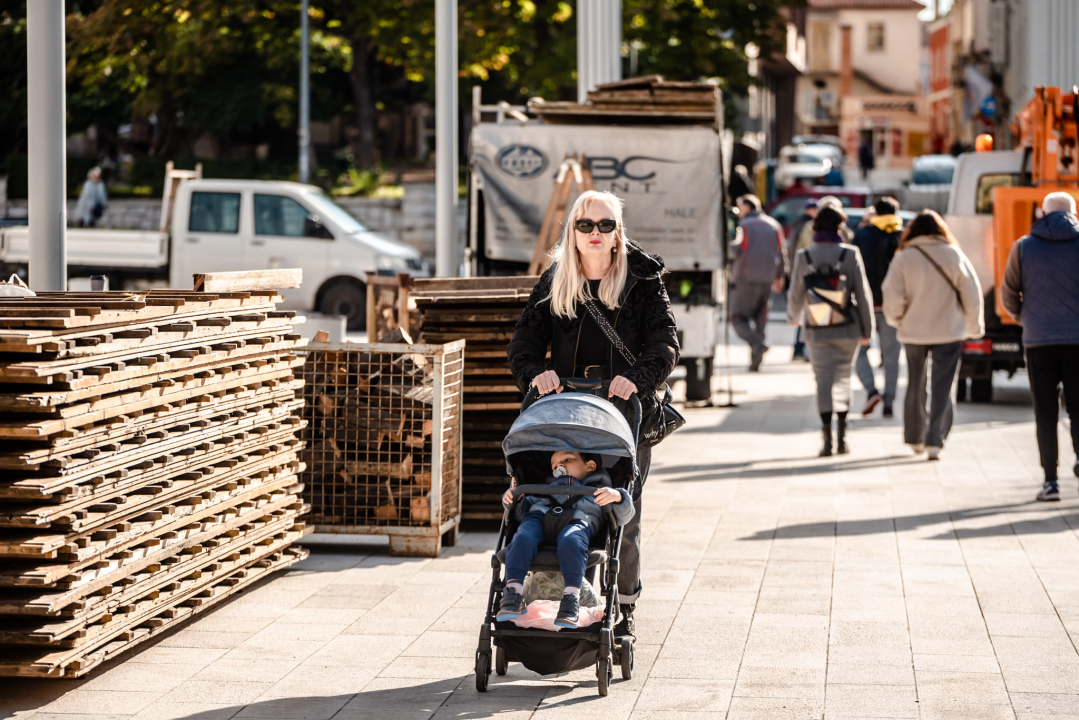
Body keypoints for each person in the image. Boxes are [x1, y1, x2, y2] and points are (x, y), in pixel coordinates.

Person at [507, 189, 679, 638]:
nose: (595, 233)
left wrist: (638, 379)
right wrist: (535, 375)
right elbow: (524, 342)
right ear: (574, 232)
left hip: (625, 414)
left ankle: (624, 606)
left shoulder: (643, 280)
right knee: (556, 503)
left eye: (605, 225)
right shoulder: (556, 278)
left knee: (627, 514)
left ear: (618, 233)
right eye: (586, 226)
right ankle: (555, 594)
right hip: (570, 416)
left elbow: (665, 343)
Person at [882, 210, 984, 460]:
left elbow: (892, 296)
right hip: (949, 331)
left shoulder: (903, 257)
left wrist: (897, 320)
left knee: (915, 382)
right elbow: (972, 295)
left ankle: (915, 436)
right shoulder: (953, 254)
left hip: (913, 330)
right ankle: (935, 440)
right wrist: (974, 328)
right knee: (943, 384)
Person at [1000, 192, 1079, 502]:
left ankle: (1050, 482)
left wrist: (1026, 319)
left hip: (1039, 341)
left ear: (1042, 213)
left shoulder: (1023, 247)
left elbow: (1009, 293)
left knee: (1045, 412)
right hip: (1077, 341)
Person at [497, 451, 634, 628]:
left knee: (572, 540)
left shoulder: (600, 490)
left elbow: (624, 516)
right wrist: (514, 500)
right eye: (554, 466)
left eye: (566, 460)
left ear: (590, 466)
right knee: (522, 537)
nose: (559, 468)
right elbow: (518, 515)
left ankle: (571, 598)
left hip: (579, 519)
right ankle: (513, 593)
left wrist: (617, 496)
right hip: (540, 515)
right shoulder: (543, 488)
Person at [788, 207, 874, 456]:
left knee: (823, 382)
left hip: (817, 329)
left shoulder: (805, 256)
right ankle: (842, 438)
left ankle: (826, 441)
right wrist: (868, 329)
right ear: (840, 227)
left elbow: (796, 293)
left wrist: (794, 318)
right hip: (848, 329)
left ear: (815, 229)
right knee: (844, 378)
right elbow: (863, 294)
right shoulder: (850, 254)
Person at [852, 197, 904, 418]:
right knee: (892, 356)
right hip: (892, 306)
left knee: (859, 352)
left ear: (875, 212)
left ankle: (872, 390)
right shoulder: (902, 237)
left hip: (865, 304)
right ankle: (889, 403)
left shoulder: (863, 235)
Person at [731, 194, 787, 371]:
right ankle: (756, 359)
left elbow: (732, 251)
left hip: (746, 279)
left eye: (739, 207)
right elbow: (782, 252)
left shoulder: (743, 226)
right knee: (759, 320)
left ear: (747, 208)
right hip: (768, 280)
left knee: (737, 318)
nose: (738, 211)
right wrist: (780, 276)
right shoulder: (774, 225)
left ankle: (758, 345)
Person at [788, 199, 818, 362]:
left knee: (806, 311)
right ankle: (801, 349)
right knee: (808, 313)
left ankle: (799, 349)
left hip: (800, 271)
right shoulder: (808, 226)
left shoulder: (798, 223)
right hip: (808, 273)